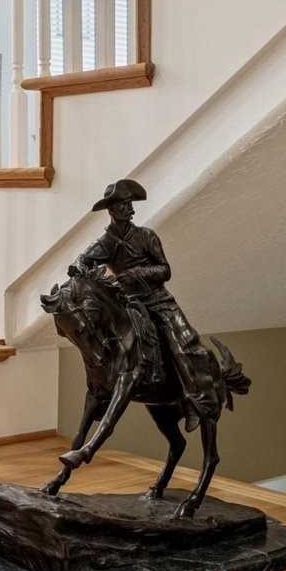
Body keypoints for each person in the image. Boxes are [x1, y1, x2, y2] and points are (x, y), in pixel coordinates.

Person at [75, 179, 220, 426]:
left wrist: (136, 274)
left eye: (130, 204)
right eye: (123, 205)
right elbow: (83, 261)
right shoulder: (104, 244)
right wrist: (80, 267)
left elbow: (165, 270)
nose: (130, 209)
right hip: (129, 304)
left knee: (181, 346)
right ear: (111, 210)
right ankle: (102, 394)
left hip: (159, 301)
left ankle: (194, 400)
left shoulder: (146, 236)